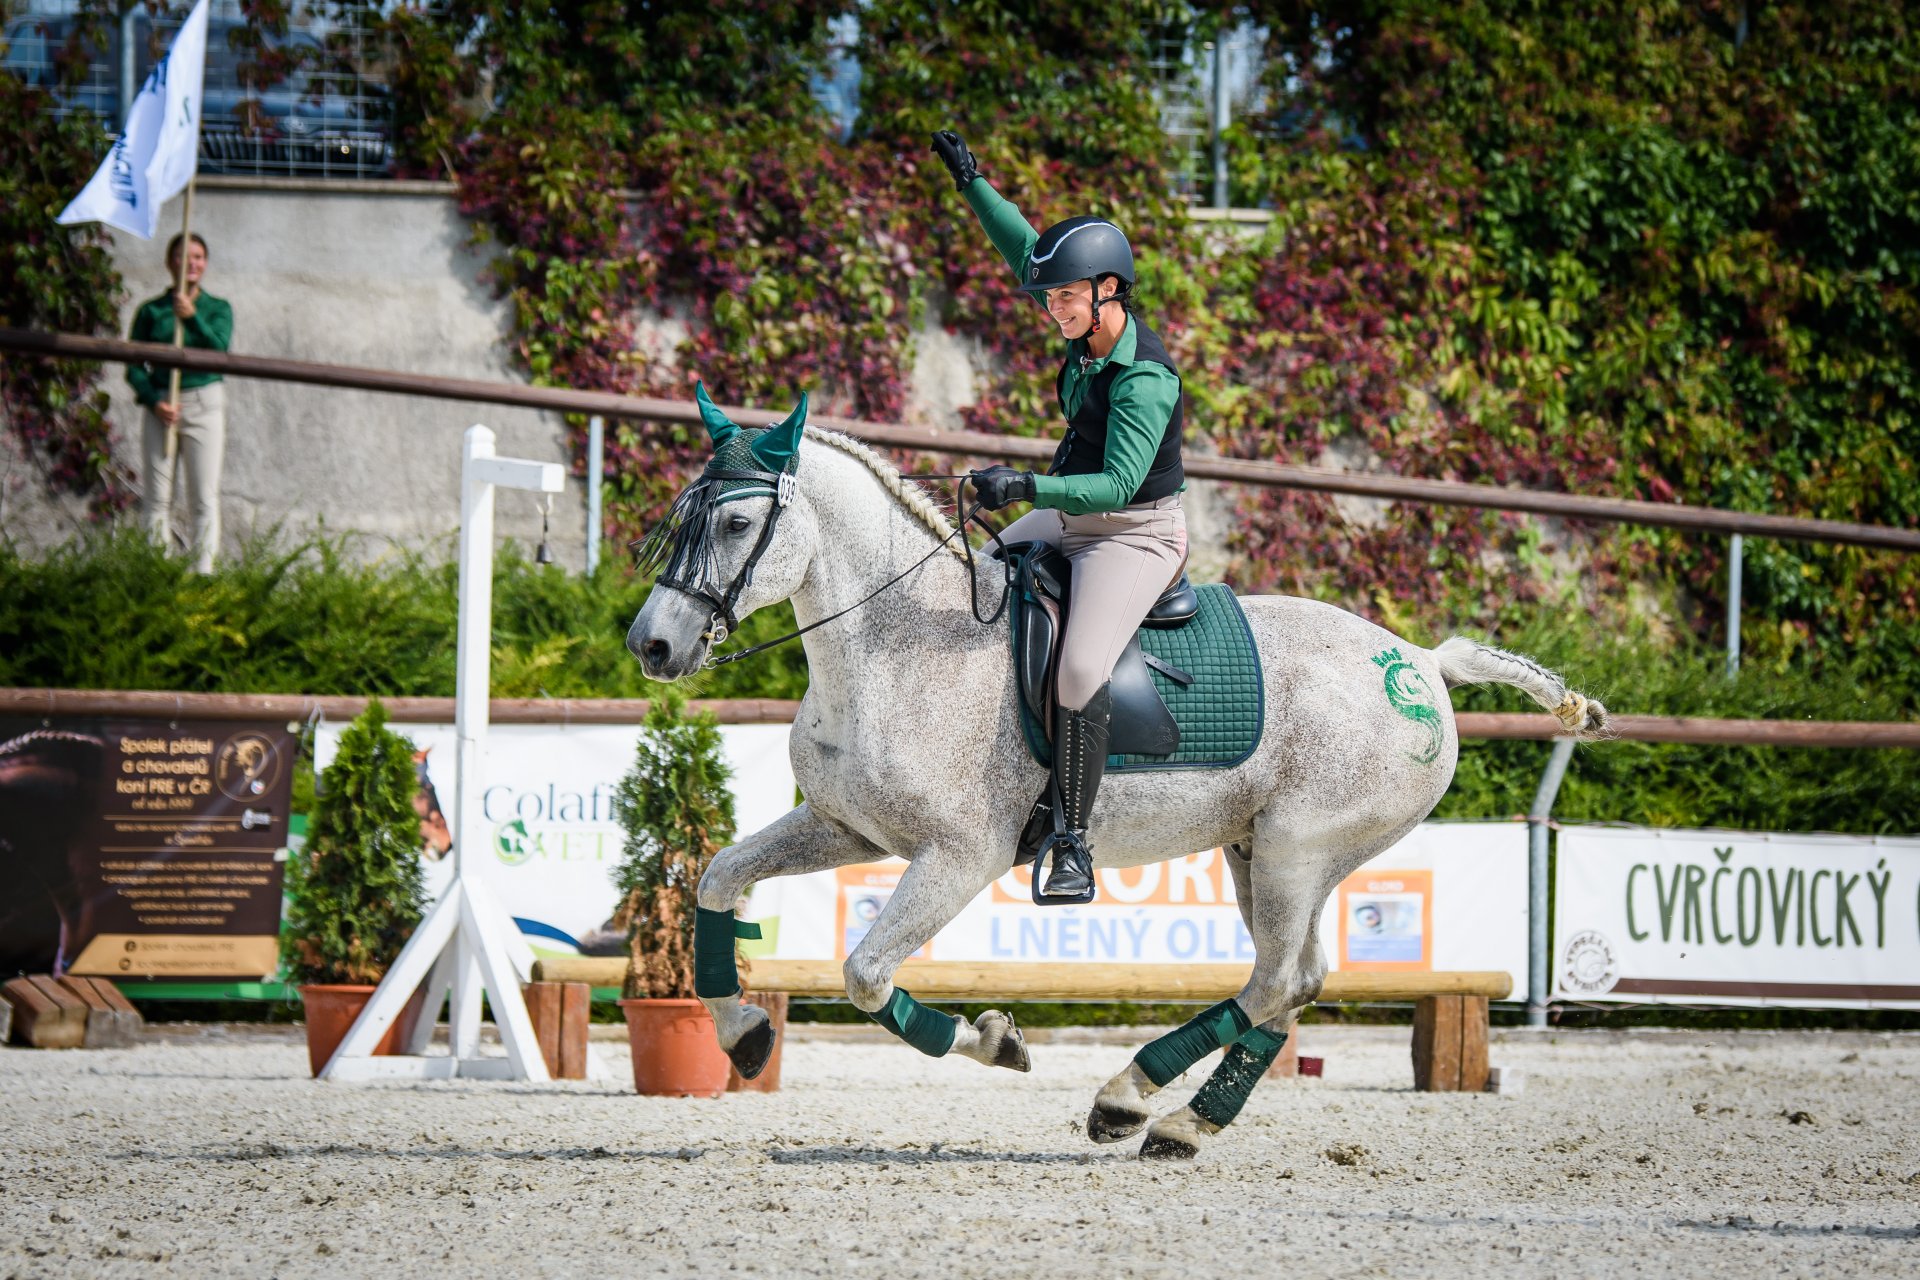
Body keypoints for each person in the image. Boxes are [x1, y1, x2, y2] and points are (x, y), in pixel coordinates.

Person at [932, 128, 1188, 902]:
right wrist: (972, 182)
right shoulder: (1084, 324)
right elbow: (1024, 248)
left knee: (1080, 668)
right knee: (976, 578)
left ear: (1109, 291)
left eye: (1066, 298)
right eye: (1049, 300)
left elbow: (1114, 486)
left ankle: (1072, 839)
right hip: (1071, 517)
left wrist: (1027, 487)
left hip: (1134, 534)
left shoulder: (1144, 378)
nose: (1052, 310)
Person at [127, 232, 233, 574]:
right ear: (169, 262)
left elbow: (218, 351)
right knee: (157, 497)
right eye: (184, 256)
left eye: (199, 256)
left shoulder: (218, 308)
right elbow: (133, 364)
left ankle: (204, 577)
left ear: (205, 263)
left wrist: (191, 317)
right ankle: (155, 574)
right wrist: (152, 399)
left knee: (203, 497)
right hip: (162, 405)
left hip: (204, 403)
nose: (192, 263)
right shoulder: (151, 311)